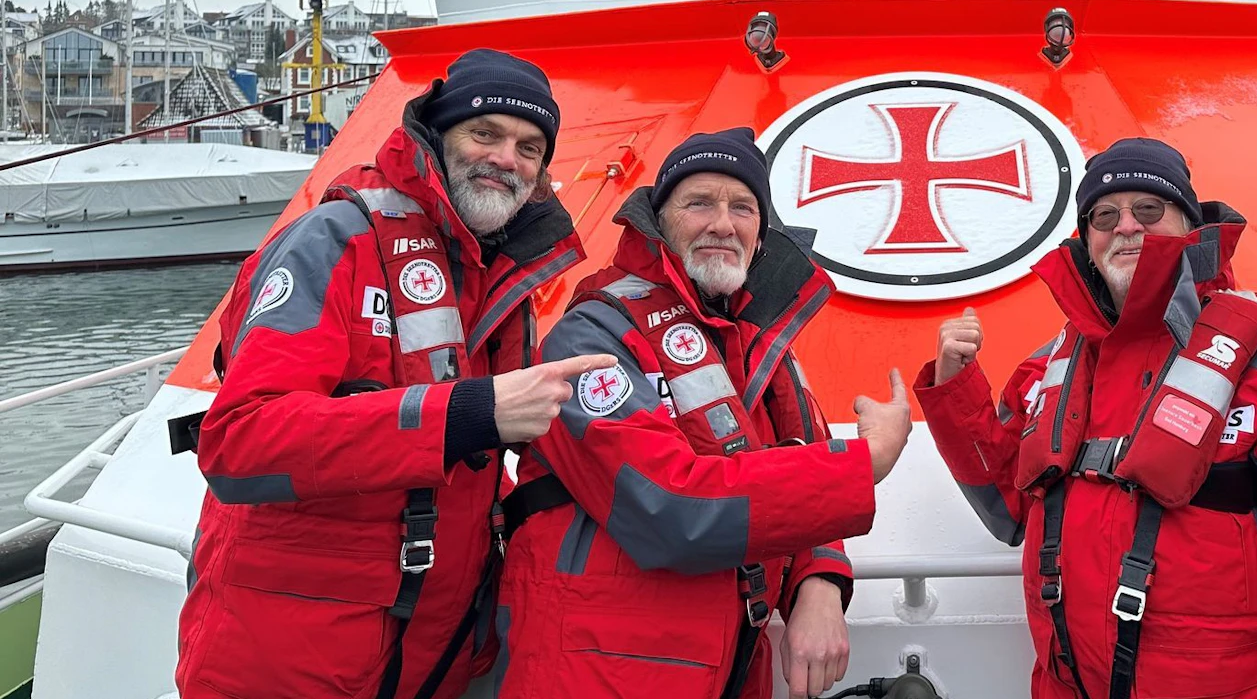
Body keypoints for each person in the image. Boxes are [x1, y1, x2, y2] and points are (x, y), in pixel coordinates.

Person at [176, 49, 604, 699]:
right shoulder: (334, 240)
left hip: (428, 655)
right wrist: (467, 412)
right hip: (288, 663)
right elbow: (239, 441)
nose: (505, 158)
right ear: (436, 135)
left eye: (529, 145)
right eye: (484, 132)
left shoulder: (500, 272)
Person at [915, 138, 1257, 699]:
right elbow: (1008, 507)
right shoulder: (1049, 365)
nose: (1126, 226)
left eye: (1149, 210)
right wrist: (953, 389)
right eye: (1105, 215)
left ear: (1188, 224)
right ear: (1087, 241)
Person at [495, 127, 913, 698]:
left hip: (730, 661)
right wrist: (864, 464)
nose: (723, 223)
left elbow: (800, 465)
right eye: (699, 202)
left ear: (761, 234)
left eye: (742, 207)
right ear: (657, 220)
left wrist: (819, 585)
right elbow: (669, 509)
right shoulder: (591, 335)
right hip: (599, 669)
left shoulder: (761, 348)